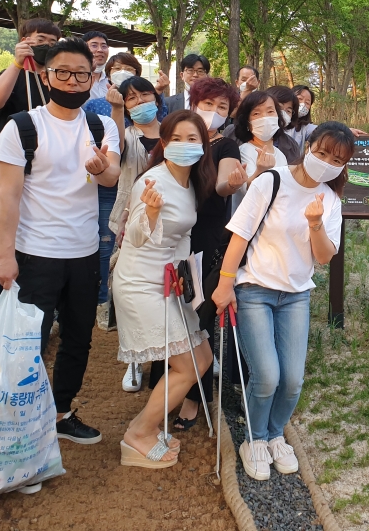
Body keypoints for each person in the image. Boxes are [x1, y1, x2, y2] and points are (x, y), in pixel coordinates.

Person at [0, 38, 121, 477]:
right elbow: (7, 199)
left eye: (81, 74)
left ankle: (62, 412)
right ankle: (17, 425)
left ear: (93, 79)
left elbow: (114, 177)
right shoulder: (22, 128)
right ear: (44, 75)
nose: (72, 80)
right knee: (28, 343)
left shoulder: (102, 127)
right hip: (35, 256)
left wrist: (103, 170)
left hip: (85, 253)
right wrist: (4, 257)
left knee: (79, 339)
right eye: (62, 72)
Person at [212, 122, 355, 481]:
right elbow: (240, 236)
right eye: (321, 152)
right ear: (308, 146)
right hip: (255, 289)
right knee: (267, 376)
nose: (326, 162)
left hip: (296, 296)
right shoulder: (271, 181)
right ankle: (255, 439)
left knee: (292, 379)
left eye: (336, 159)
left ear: (344, 165)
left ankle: (275, 434)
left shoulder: (331, 200)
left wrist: (316, 224)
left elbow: (323, 257)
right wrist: (226, 284)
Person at [111, 111, 216, 467]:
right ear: (164, 143)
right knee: (187, 365)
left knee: (203, 359)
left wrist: (189, 277)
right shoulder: (150, 182)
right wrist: (151, 214)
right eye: (177, 139)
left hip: (171, 280)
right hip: (141, 281)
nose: (185, 146)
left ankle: (146, 427)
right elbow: (135, 236)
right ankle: (138, 432)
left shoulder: (190, 182)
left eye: (193, 139)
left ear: (203, 145)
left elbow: (183, 235)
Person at [173, 77, 248, 428]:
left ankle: (193, 396)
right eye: (208, 104)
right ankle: (168, 383)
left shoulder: (226, 146)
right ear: (193, 102)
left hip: (204, 244)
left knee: (195, 317)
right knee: (170, 314)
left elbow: (223, 183)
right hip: (169, 239)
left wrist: (232, 184)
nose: (214, 112)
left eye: (222, 107)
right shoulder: (176, 137)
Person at [0, 17, 60, 306]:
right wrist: (16, 65)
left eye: (52, 43)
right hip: (10, 169)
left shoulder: (54, 77)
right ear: (24, 40)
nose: (46, 47)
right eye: (40, 40)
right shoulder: (12, 75)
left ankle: (32, 308)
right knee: (4, 240)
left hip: (45, 170)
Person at [106, 77, 165, 353]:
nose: (140, 102)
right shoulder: (126, 134)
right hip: (132, 220)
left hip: (168, 220)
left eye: (145, 95)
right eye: (132, 98)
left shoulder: (171, 131)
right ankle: (133, 356)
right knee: (133, 288)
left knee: (163, 286)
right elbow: (114, 151)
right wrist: (116, 111)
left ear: (156, 97)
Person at [231, 91, 290, 212]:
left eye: (270, 111)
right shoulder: (245, 151)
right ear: (247, 122)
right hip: (249, 223)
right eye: (257, 113)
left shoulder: (280, 155)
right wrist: (260, 170)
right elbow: (246, 189)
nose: (265, 118)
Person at [267, 85, 303, 163]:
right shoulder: (236, 134)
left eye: (288, 111)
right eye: (279, 108)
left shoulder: (292, 146)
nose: (283, 114)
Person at [84, 31, 111, 100]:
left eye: (104, 46)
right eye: (94, 46)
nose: (100, 50)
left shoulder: (111, 80)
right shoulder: (76, 79)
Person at [288, 84, 316, 150]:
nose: (303, 104)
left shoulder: (305, 128)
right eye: (300, 99)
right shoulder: (275, 121)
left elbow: (321, 131)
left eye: (307, 103)